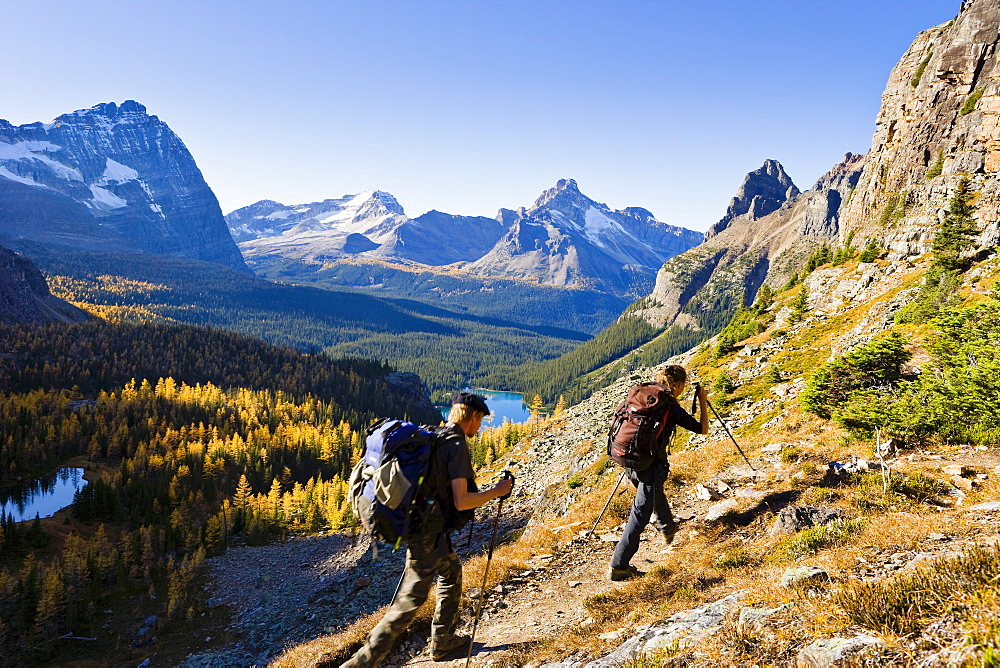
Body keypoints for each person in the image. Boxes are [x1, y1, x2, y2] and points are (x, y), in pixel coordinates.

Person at [342, 393, 514, 667]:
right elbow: (462, 500)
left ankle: (443, 641)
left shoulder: (436, 434)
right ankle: (360, 663)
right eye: (480, 421)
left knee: (451, 571)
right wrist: (497, 491)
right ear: (471, 417)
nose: (479, 427)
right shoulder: (456, 445)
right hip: (426, 537)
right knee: (407, 605)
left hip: (428, 531)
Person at [608, 365, 708, 581]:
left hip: (628, 459)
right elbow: (702, 429)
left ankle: (667, 526)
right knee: (640, 513)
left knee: (652, 493)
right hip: (650, 464)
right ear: (679, 385)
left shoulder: (640, 395)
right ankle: (619, 566)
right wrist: (701, 400)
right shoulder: (669, 406)